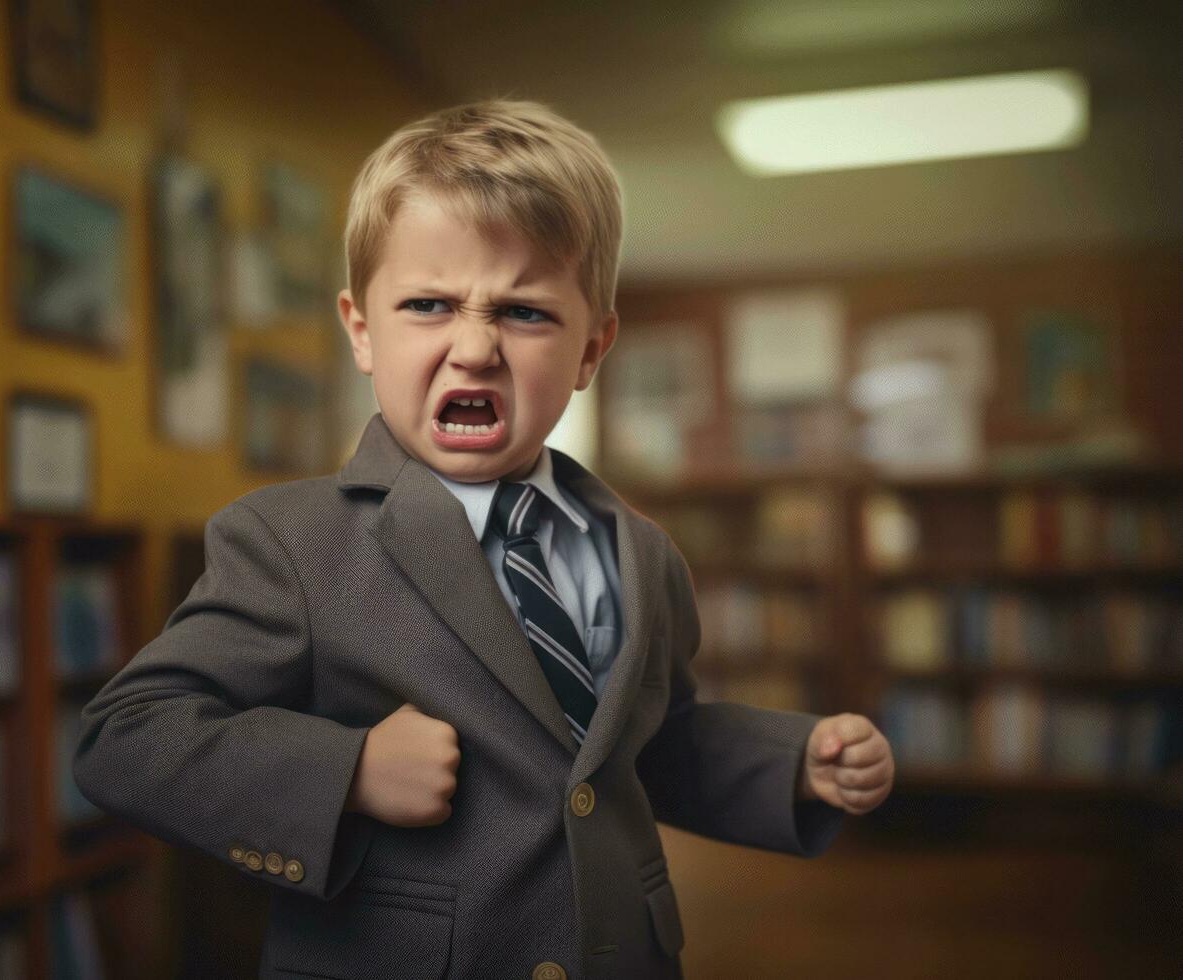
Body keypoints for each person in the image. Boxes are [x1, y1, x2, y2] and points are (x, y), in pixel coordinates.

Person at [73, 99, 894, 980]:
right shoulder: (288, 542)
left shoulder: (640, 553)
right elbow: (126, 737)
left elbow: (649, 749)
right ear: (361, 330)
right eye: (427, 304)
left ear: (591, 349)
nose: (473, 347)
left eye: (525, 313)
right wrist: (344, 770)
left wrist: (791, 764)